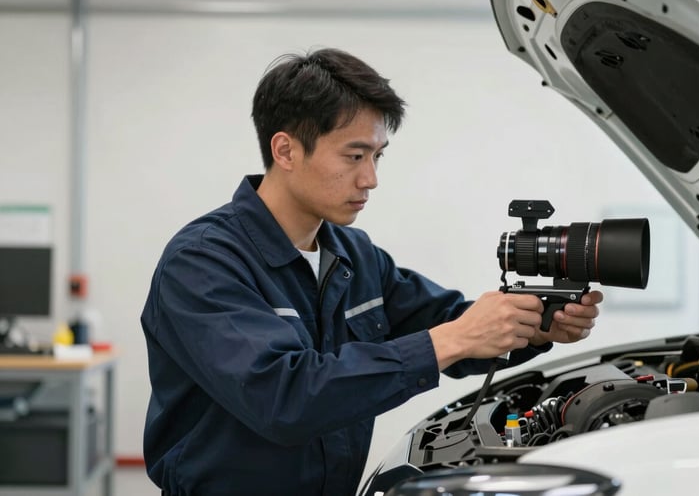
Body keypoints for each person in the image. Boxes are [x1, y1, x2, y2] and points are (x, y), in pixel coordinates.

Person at [140, 47, 603, 496]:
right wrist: (455, 338)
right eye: (354, 155)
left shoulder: (352, 253)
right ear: (285, 150)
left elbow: (446, 323)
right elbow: (284, 397)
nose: (371, 179)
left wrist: (536, 327)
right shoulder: (202, 262)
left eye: (377, 156)